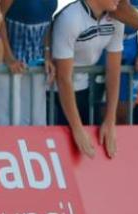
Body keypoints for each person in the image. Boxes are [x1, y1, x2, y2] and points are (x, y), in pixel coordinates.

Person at [52, 0, 124, 159]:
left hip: (83, 89)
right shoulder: (70, 18)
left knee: (86, 153)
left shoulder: (116, 18)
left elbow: (114, 71)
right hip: (54, 94)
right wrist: (77, 128)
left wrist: (110, 120)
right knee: (60, 154)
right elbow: (63, 78)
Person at [0, 0, 57, 126]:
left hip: (36, 63)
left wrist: (47, 54)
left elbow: (48, 20)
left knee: (36, 123)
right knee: (6, 122)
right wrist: (8, 57)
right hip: (6, 64)